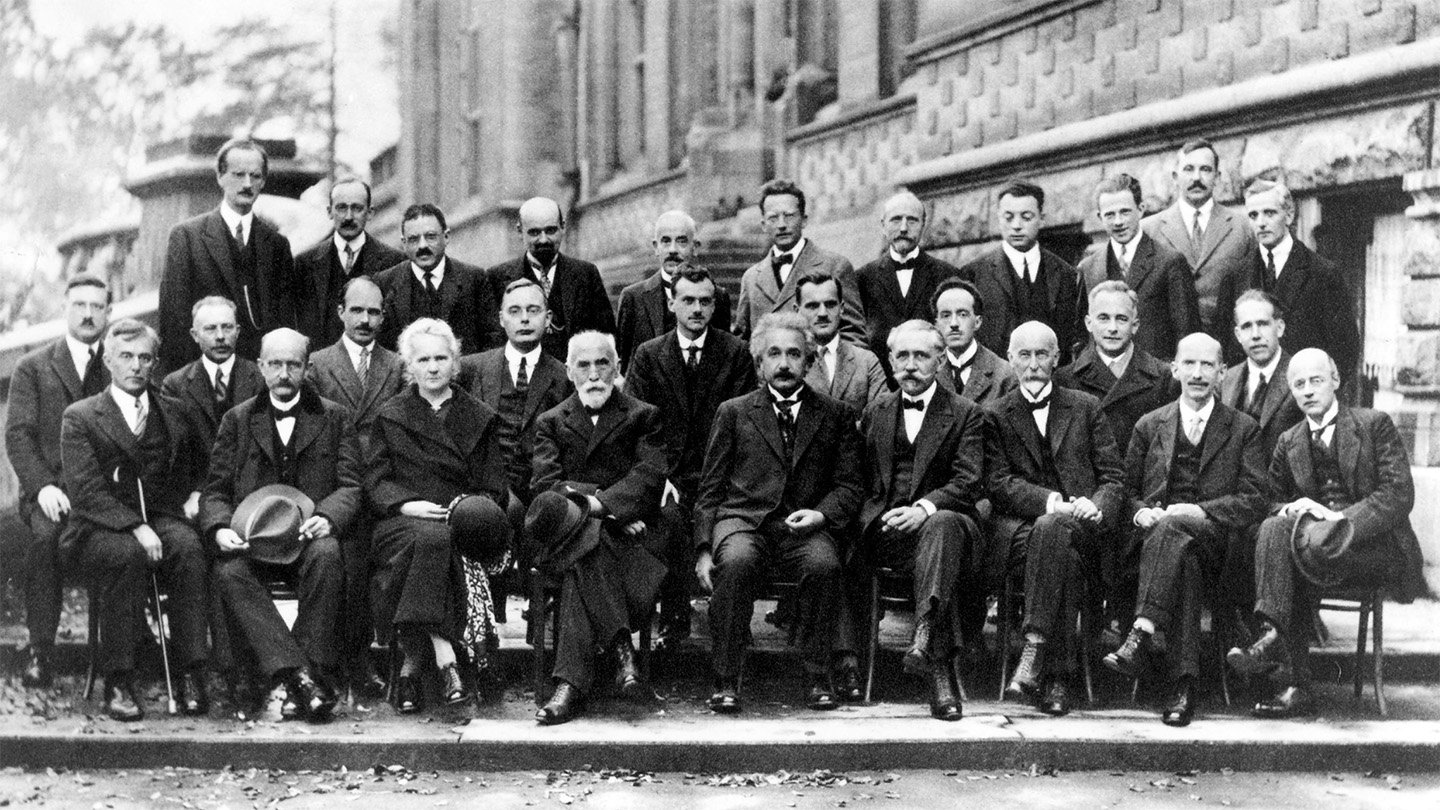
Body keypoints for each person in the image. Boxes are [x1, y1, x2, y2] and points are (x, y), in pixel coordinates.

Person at [1229, 349, 1430, 717]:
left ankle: (1277, 647)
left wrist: (1337, 522)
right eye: (1298, 384)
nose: (1307, 391)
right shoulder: (1289, 440)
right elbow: (1269, 502)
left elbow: (1397, 494)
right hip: (1311, 555)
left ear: (1335, 381)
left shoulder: (1373, 425)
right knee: (1275, 527)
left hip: (1373, 552)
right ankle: (1283, 656)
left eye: (1316, 381)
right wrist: (1291, 509)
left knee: (1293, 551)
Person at [694, 312, 864, 714]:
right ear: (759, 363)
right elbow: (710, 488)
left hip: (803, 526)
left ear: (810, 361)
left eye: (794, 354)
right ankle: (726, 676)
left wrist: (821, 516)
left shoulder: (835, 414)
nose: (784, 363)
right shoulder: (734, 412)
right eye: (774, 354)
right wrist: (703, 548)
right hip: (743, 522)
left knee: (824, 565)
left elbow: (850, 485)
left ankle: (817, 673)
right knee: (735, 563)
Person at [1104, 333, 1267, 727]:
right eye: (1189, 364)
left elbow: (1255, 498)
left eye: (1207, 365)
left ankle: (1141, 631)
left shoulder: (1244, 429)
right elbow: (1124, 489)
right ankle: (1184, 685)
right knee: (1185, 561)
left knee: (1182, 533)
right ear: (1174, 369)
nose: (1197, 373)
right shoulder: (1148, 425)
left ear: (1222, 372)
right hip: (1155, 545)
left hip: (1218, 544)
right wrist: (1141, 512)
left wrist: (1199, 510)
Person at [201, 329, 360, 721]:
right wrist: (221, 528)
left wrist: (327, 517)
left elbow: (352, 485)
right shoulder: (237, 420)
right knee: (228, 570)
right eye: (275, 364)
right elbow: (215, 491)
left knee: (328, 555)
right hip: (255, 543)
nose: (284, 373)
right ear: (260, 367)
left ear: (307, 368)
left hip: (308, 539)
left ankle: (306, 673)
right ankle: (302, 676)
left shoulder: (334, 416)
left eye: (293, 364)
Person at [61, 320, 209, 720]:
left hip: (161, 516)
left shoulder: (175, 413)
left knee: (190, 549)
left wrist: (195, 494)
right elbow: (86, 491)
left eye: (145, 357)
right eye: (126, 357)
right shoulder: (81, 417)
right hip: (101, 525)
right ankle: (119, 679)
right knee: (124, 555)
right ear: (108, 360)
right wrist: (133, 525)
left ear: (155, 362)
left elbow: (200, 468)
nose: (136, 366)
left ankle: (191, 670)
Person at [367, 319, 511, 713]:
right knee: (431, 537)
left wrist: (462, 507)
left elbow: (494, 488)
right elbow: (375, 481)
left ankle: (412, 666)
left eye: (441, 358)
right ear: (408, 367)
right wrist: (404, 504)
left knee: (439, 538)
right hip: (400, 522)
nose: (432, 367)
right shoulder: (390, 415)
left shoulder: (479, 416)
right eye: (423, 359)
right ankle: (445, 656)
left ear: (456, 363)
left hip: (455, 522)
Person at [529, 331, 670, 725]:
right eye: (584, 366)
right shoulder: (551, 422)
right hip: (600, 532)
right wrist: (608, 511)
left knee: (584, 558)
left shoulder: (643, 415)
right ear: (570, 373)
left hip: (630, 544)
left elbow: (649, 476)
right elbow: (546, 488)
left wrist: (594, 504)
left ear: (617, 367)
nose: (594, 375)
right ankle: (622, 650)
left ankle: (568, 686)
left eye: (602, 363)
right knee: (590, 540)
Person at [986, 322, 1126, 716]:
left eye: (1042, 354)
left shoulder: (1085, 406)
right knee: (1058, 546)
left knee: (1058, 536)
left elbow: (1113, 476)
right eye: (1024, 355)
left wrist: (1096, 505)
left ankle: (1033, 650)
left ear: (1057, 358)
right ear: (1011, 360)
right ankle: (1057, 678)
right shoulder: (994, 414)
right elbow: (997, 483)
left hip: (1083, 528)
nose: (1033, 364)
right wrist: (1051, 502)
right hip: (1019, 532)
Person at [852, 320, 985, 720]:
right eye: (902, 356)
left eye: (921, 356)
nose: (911, 365)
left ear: (940, 360)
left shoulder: (966, 413)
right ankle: (935, 668)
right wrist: (882, 517)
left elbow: (970, 480)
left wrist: (923, 509)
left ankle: (926, 637)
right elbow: (859, 478)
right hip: (889, 533)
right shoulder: (875, 412)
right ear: (890, 361)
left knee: (941, 525)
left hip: (949, 530)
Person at [625, 267, 757, 649]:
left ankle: (733, 617)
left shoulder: (735, 353)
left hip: (724, 473)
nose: (697, 309)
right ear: (672, 303)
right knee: (668, 516)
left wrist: (727, 478)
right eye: (688, 300)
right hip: (670, 473)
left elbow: (746, 424)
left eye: (705, 301)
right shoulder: (649, 355)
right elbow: (638, 423)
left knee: (730, 523)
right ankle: (674, 615)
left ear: (716, 305)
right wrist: (659, 474)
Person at [304, 276, 408, 698]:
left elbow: (403, 430)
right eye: (357, 310)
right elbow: (310, 435)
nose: (365, 320)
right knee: (338, 561)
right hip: (336, 486)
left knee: (373, 568)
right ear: (340, 312)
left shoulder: (397, 366)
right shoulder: (316, 364)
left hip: (383, 486)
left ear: (384, 317)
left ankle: (364, 658)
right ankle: (328, 662)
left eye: (374, 312)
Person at [5, 275, 111, 687]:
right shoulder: (34, 367)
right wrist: (43, 486)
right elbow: (18, 435)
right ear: (65, 309)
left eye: (96, 306)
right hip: (51, 492)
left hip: (105, 494)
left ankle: (125, 648)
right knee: (45, 539)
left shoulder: (119, 362)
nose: (87, 314)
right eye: (79, 305)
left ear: (108, 312)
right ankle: (40, 650)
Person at [158, 138, 295, 372]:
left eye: (255, 176)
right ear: (220, 177)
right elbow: (174, 321)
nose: (247, 184)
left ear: (263, 182)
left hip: (260, 379)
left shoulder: (277, 245)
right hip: (204, 376)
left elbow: (285, 325)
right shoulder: (187, 237)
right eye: (238, 174)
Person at [1215, 180, 1361, 374]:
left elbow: (1345, 350)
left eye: (1270, 213)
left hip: (1301, 396)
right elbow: (1224, 347)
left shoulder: (1322, 273)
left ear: (1289, 215)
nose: (1261, 223)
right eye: (1253, 215)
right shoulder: (1234, 277)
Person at [457, 279, 572, 512]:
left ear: (548, 318)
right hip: (483, 492)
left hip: (542, 496)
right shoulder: (470, 369)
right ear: (501, 319)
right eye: (514, 311)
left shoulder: (565, 377)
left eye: (533, 310)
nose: (525, 319)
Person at [161, 297, 266, 524]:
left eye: (227, 327)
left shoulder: (260, 378)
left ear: (238, 331)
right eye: (210, 329)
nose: (220, 336)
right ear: (194, 335)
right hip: (200, 494)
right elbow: (178, 454)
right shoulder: (175, 385)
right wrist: (197, 491)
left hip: (252, 492)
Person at [1141, 138, 1257, 342]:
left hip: (1227, 346)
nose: (1197, 177)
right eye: (1188, 169)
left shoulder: (1243, 227)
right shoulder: (1149, 230)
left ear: (1217, 177)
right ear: (1175, 177)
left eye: (1205, 169)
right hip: (1169, 349)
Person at [1077, 174, 1200, 360]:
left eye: (1125, 212)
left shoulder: (1170, 261)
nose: (1118, 222)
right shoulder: (1089, 268)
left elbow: (1187, 333)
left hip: (1157, 380)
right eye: (1110, 214)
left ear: (1141, 209)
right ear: (1099, 217)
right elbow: (1081, 338)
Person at [960, 180, 1080, 365]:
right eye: (1008, 217)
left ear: (1042, 218)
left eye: (1026, 217)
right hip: (995, 386)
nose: (1017, 225)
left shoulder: (1066, 274)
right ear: (998, 218)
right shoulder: (973, 275)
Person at [734, 180, 865, 345]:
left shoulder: (835, 266)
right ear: (763, 225)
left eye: (789, 216)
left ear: (804, 220)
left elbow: (853, 335)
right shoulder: (751, 278)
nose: (782, 225)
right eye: (773, 218)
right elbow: (742, 341)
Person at [856, 192, 967, 380]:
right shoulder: (862, 278)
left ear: (924, 225)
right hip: (880, 385)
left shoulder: (948, 275)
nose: (904, 228)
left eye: (912, 220)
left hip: (933, 382)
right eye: (896, 220)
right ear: (883, 225)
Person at [488, 197, 615, 361]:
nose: (543, 239)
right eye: (534, 232)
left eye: (550, 231)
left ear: (563, 227)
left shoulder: (586, 274)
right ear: (520, 231)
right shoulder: (496, 278)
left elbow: (606, 334)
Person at [1056, 281, 1177, 452]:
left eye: (1121, 319)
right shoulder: (1065, 379)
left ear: (1135, 326)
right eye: (1103, 318)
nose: (1112, 328)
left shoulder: (1164, 378)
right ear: (1089, 323)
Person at [374, 203, 502, 355]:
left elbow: (492, 343)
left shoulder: (474, 279)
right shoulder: (384, 283)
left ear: (446, 237)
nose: (423, 246)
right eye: (414, 239)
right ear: (404, 243)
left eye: (431, 237)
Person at [294, 178, 407, 345]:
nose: (348, 216)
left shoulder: (395, 262)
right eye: (341, 208)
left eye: (357, 208)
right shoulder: (304, 264)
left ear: (370, 213)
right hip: (320, 367)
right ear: (329, 211)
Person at [615, 211, 733, 369]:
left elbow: (723, 355)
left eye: (682, 242)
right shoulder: (633, 297)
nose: (673, 250)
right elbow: (622, 360)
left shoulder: (717, 296)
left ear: (695, 247)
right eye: (665, 241)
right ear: (656, 247)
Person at [795, 272, 886, 414]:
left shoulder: (867, 362)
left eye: (830, 305)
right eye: (813, 306)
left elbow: (881, 418)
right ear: (797, 311)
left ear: (842, 308)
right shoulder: (791, 363)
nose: (823, 313)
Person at [930, 278, 1017, 406]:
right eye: (946, 315)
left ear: (977, 322)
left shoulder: (1005, 375)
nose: (954, 323)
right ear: (936, 324)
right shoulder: (928, 372)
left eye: (962, 314)